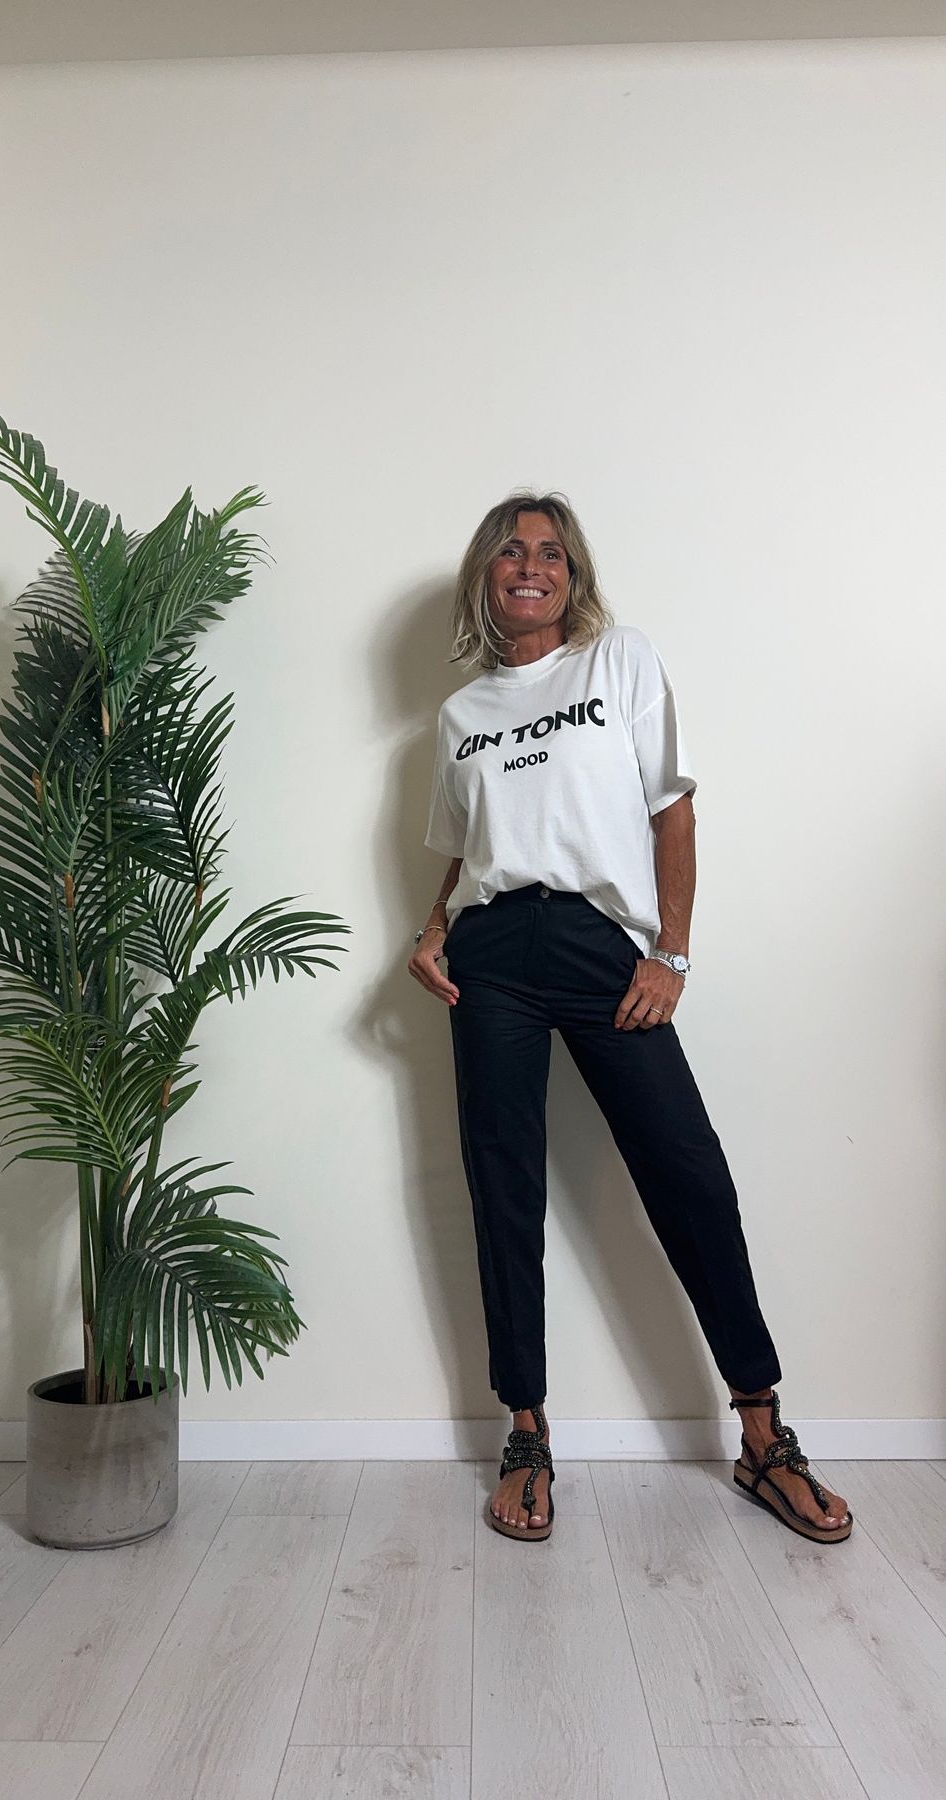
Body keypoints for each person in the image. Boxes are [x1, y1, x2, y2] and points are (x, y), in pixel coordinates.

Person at [409, 491, 852, 1546]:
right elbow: (466, 850)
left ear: (572, 577)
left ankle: (761, 1433)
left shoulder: (618, 662)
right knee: (502, 1187)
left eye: (550, 553)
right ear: (484, 576)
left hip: (599, 946)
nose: (530, 566)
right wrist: (430, 927)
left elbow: (670, 807)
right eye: (510, 552)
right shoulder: (461, 716)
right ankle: (525, 1431)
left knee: (688, 1175)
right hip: (490, 957)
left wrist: (670, 953)